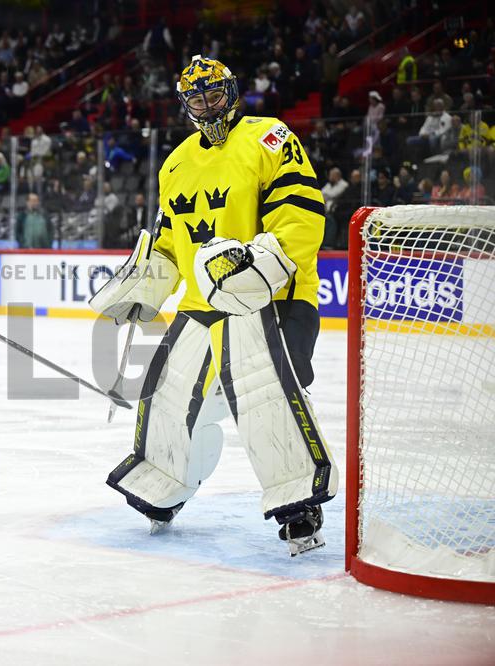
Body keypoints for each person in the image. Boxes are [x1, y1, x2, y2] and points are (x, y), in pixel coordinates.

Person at [89, 56, 337, 556]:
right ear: (186, 106)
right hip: (201, 304)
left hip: (269, 297)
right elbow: (168, 242)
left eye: (215, 95)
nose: (208, 106)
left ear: (233, 92)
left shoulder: (269, 138)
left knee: (264, 395)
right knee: (166, 394)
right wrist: (144, 289)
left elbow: (300, 214)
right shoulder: (175, 163)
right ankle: (164, 484)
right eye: (197, 100)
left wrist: (259, 266)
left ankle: (298, 503)